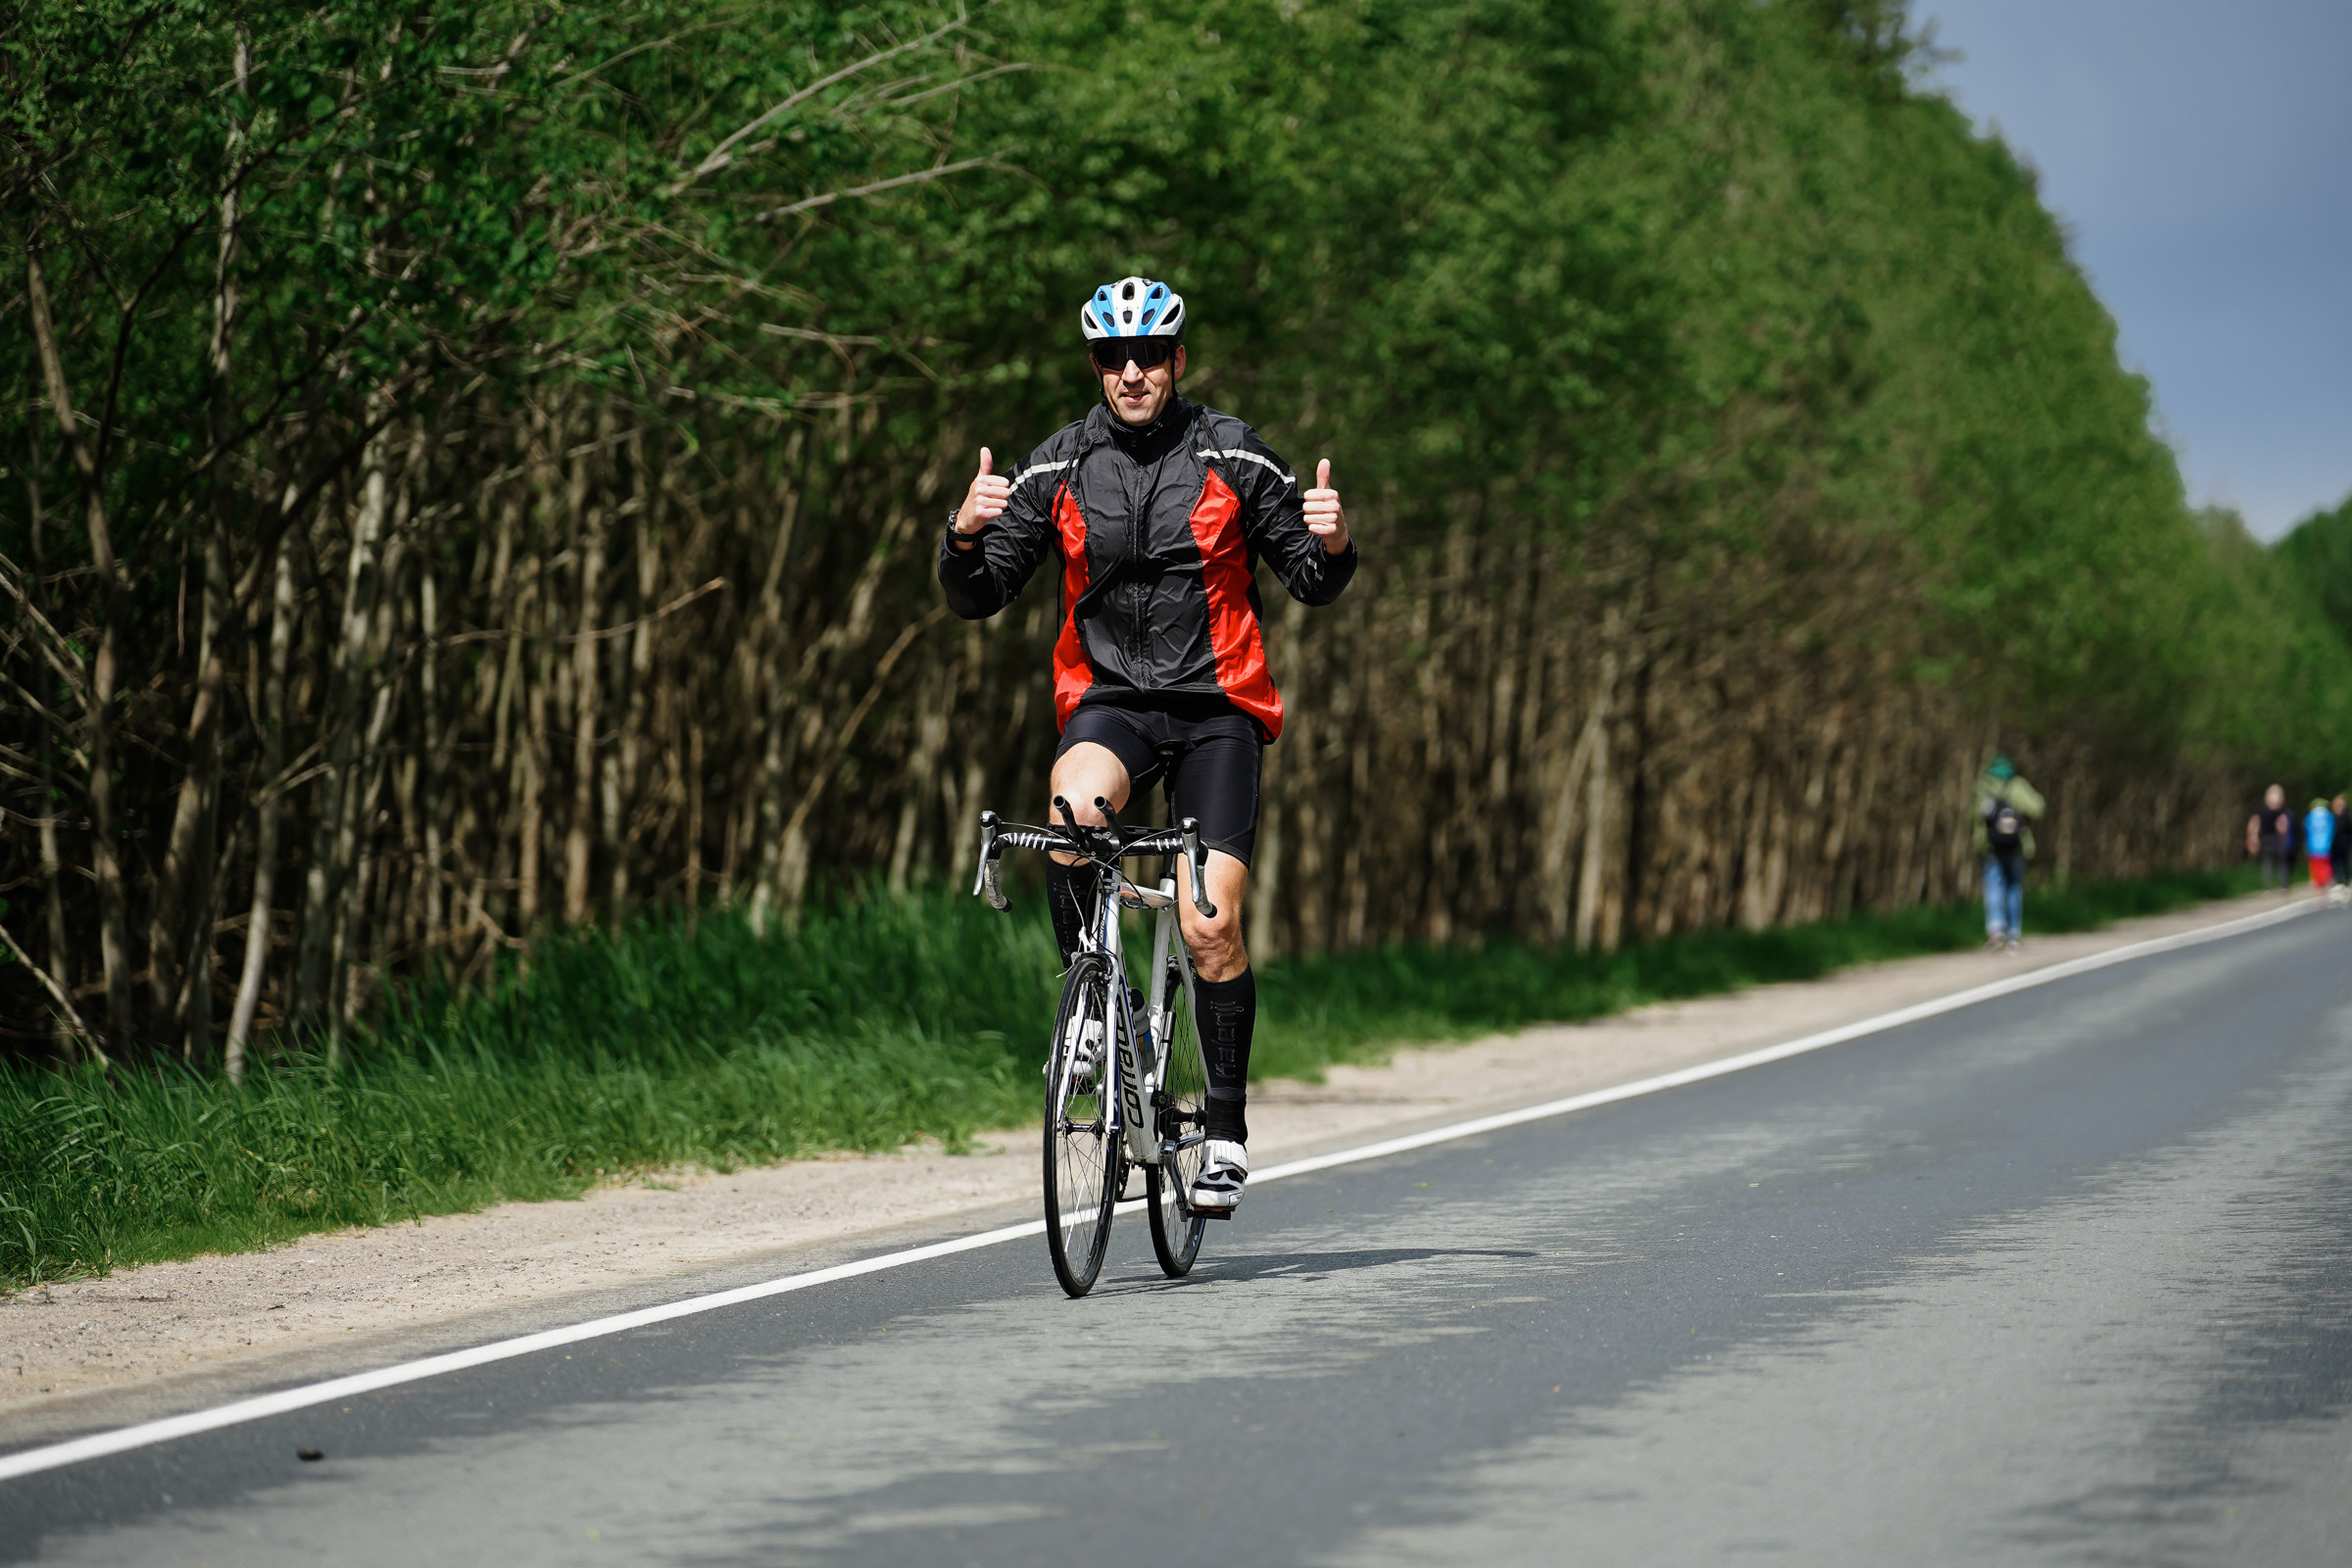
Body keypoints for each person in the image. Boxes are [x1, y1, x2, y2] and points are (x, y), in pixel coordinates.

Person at [938, 275, 1358, 1215]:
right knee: (1069, 816)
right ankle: (1094, 1008)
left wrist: (1332, 546)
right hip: (1112, 701)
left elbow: (1306, 577)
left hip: (1219, 708)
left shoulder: (1234, 453)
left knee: (1210, 924)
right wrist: (962, 539)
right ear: (1096, 366)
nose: (1132, 373)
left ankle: (1225, 1131)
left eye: (1150, 355)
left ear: (1177, 360)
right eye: (1113, 358)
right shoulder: (1057, 467)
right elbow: (981, 593)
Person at [1973, 754, 2045, 952]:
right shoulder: (2017, 786)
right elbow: (2038, 807)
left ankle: (1996, 931)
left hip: (1990, 847)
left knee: (1993, 888)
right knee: (2013, 888)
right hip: (2016, 846)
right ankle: (2014, 933)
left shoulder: (1983, 787)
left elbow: (1972, 814)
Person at [2247, 784, 2292, 893]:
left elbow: (2285, 826)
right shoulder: (2261, 811)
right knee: (2267, 863)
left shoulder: (2283, 811)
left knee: (2282, 862)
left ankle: (2283, 886)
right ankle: (2267, 887)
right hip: (2266, 839)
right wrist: (2253, 837)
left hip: (2279, 839)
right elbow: (2254, 823)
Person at [2307, 798, 2337, 897]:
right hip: (2325, 846)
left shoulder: (2310, 817)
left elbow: (2306, 829)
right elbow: (2331, 830)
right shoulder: (2328, 816)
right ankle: (2326, 882)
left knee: (2317, 866)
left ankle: (2319, 885)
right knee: (2325, 865)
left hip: (2314, 847)